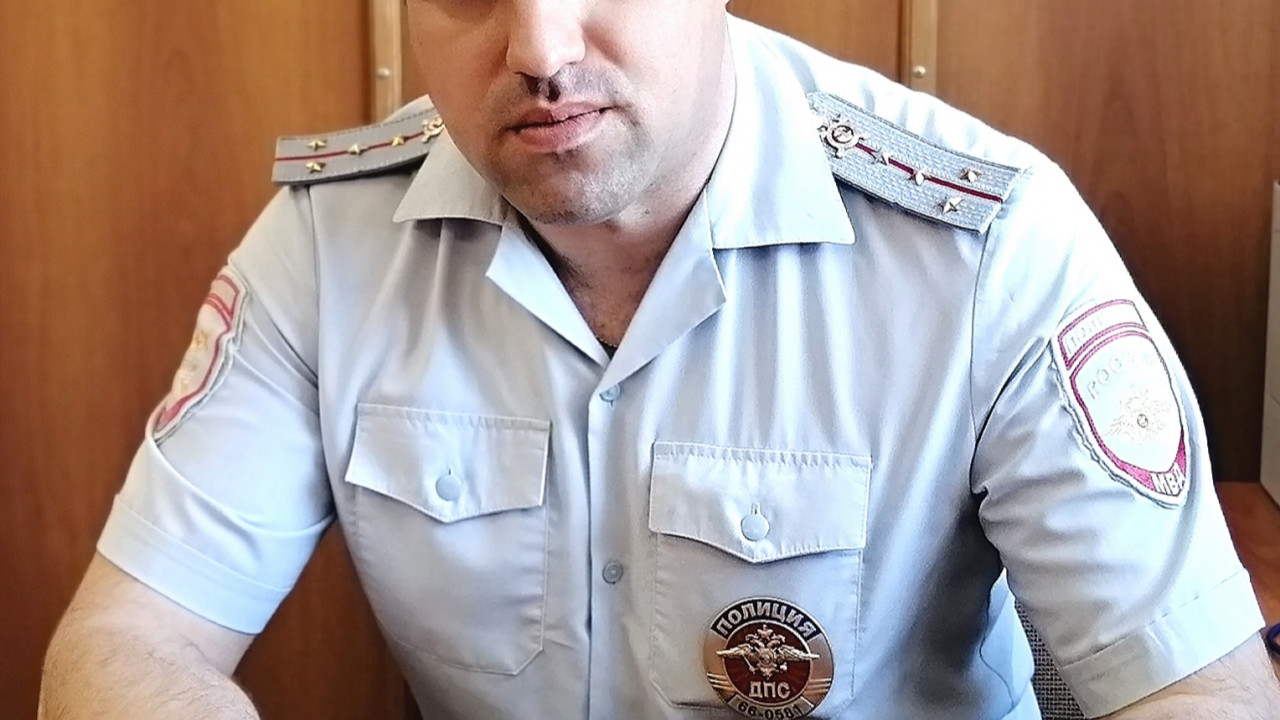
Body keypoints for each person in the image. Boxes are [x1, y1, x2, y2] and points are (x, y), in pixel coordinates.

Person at [39, 1, 1280, 718]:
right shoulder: (327, 241)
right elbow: (130, 641)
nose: (538, 46)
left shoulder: (986, 243)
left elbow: (1195, 691)